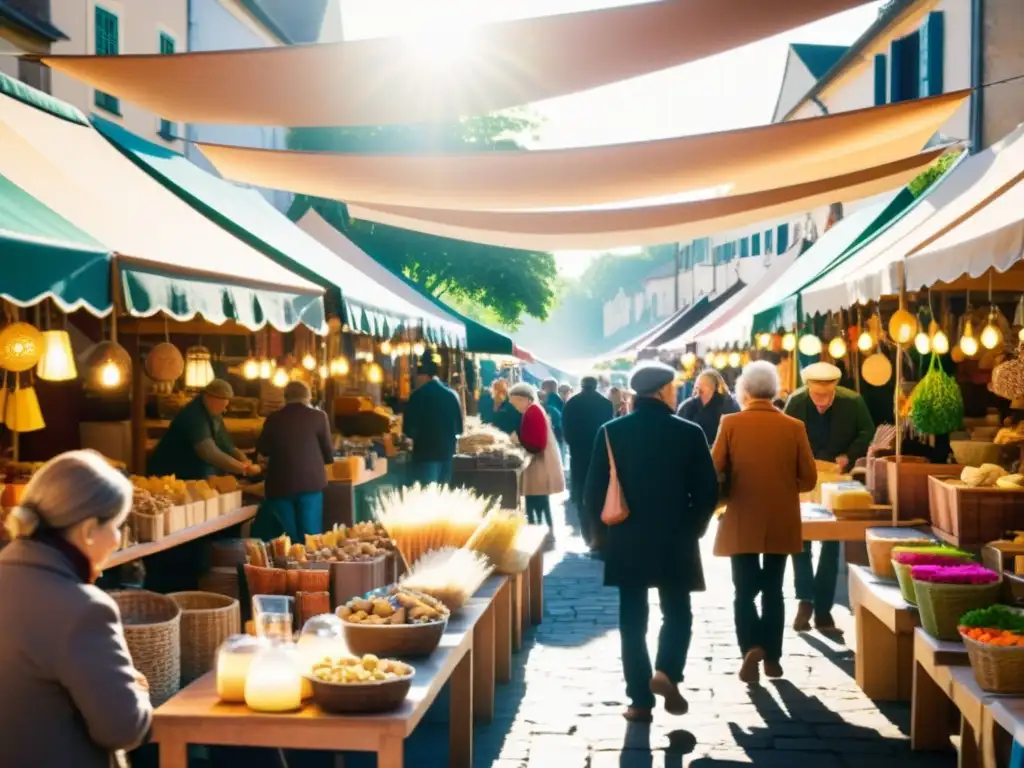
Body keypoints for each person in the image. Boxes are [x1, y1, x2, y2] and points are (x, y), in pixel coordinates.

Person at [0, 451, 152, 768]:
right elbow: (124, 728)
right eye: (117, 527)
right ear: (88, 530)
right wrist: (135, 688)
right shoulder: (82, 610)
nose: (117, 541)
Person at [585, 362, 718, 722]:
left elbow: (593, 492)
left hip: (627, 538)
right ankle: (668, 671)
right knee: (678, 611)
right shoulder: (689, 432)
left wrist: (601, 540)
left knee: (632, 619)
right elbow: (708, 490)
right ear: (662, 391)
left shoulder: (612, 431)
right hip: (676, 536)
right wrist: (694, 527)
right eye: (674, 387)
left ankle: (639, 701)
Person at [712, 362, 818, 683]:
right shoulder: (794, 426)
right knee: (773, 590)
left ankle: (751, 648)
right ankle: (772, 657)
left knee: (743, 592)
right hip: (780, 517)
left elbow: (713, 468)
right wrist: (784, 486)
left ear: (744, 390)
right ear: (774, 391)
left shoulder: (730, 423)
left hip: (742, 516)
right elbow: (809, 479)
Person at [785, 361, 875, 634]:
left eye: (826, 397)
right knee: (799, 538)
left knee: (831, 541)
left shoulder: (854, 401)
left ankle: (823, 609)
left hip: (838, 479)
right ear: (807, 389)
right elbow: (785, 434)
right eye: (816, 397)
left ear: (836, 389)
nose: (821, 403)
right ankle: (804, 600)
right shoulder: (796, 401)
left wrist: (849, 454)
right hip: (803, 477)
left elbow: (867, 432)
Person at [254, 381, 335, 541]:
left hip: (280, 485)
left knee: (286, 538)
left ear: (285, 397)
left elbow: (262, 450)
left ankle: (289, 565)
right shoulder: (319, 417)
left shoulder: (273, 418)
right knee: (310, 536)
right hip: (310, 484)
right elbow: (328, 455)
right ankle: (310, 565)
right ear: (308, 397)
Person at [148, 379, 260, 480]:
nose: (225, 409)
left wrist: (243, 459)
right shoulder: (193, 415)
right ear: (210, 398)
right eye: (223, 405)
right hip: (172, 473)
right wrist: (242, 468)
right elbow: (208, 451)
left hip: (193, 471)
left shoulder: (214, 414)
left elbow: (226, 444)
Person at [561, 375, 614, 546]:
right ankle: (600, 535)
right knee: (600, 493)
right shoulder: (605, 404)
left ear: (582, 385)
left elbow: (566, 432)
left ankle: (587, 536)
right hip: (600, 454)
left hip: (578, 455)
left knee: (581, 493)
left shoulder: (571, 403)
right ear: (596, 385)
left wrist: (574, 445)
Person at [508, 382, 565, 529]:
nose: (515, 407)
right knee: (537, 498)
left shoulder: (532, 412)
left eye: (515, 403)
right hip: (540, 460)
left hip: (538, 463)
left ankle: (537, 527)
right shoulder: (533, 410)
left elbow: (536, 444)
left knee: (535, 497)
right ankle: (541, 526)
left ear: (524, 398)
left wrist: (517, 439)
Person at [402, 359, 464, 485]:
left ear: (424, 376)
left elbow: (408, 430)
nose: (417, 380)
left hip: (425, 455)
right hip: (447, 454)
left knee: (427, 496)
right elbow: (459, 429)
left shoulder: (417, 396)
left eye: (418, 377)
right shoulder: (452, 395)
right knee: (443, 495)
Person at [678, 369, 740, 445]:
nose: (699, 390)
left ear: (715, 388)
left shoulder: (729, 406)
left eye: (704, 386)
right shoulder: (687, 407)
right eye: (697, 387)